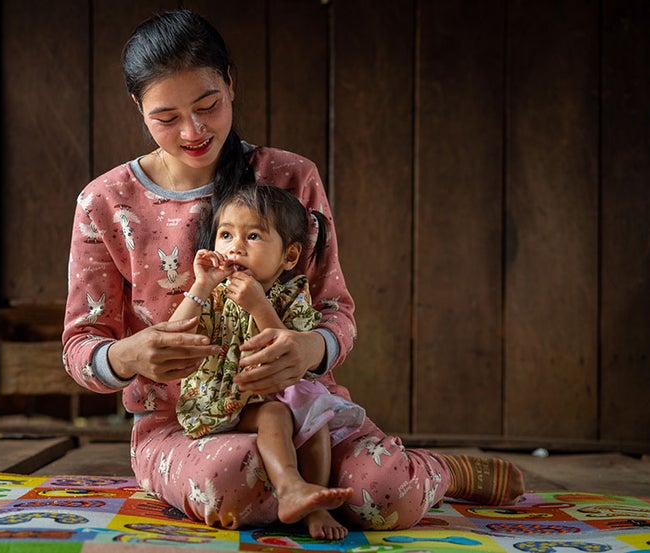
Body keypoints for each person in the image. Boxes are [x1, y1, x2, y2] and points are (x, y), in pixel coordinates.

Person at [62, 8, 525, 534]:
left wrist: (308, 348)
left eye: (208, 105)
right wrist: (128, 355)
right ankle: (296, 492)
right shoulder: (105, 202)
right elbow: (80, 346)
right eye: (166, 118)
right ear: (137, 107)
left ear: (231, 85)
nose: (192, 131)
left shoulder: (289, 177)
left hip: (305, 412)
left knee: (384, 493)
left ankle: (441, 471)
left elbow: (337, 313)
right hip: (185, 428)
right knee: (229, 480)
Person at [173, 185, 366, 539]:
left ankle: (314, 501)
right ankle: (291, 486)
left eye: (254, 235)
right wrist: (200, 287)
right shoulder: (214, 295)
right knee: (276, 414)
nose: (235, 246)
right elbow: (176, 333)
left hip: (278, 394)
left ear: (289, 256)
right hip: (223, 401)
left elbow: (289, 353)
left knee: (315, 416)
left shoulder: (293, 295)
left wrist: (260, 306)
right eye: (226, 234)